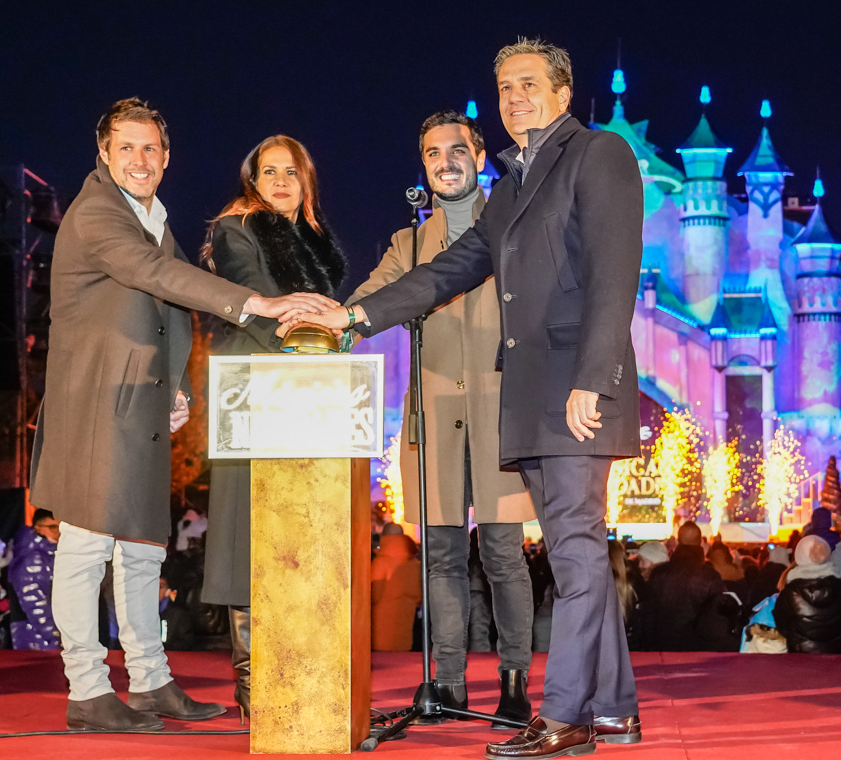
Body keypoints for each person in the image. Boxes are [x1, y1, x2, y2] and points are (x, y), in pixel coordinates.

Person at [313, 38, 644, 756]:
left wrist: (593, 376)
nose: (515, 97)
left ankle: (562, 718)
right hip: (526, 400)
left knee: (576, 555)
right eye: (504, 88)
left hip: (575, 393)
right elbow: (451, 268)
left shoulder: (599, 155)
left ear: (562, 92)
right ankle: (615, 709)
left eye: (529, 84)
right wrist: (355, 316)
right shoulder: (517, 184)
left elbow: (618, 275)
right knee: (573, 551)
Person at [28, 98, 337, 733]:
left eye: (150, 150)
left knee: (143, 548)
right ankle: (86, 688)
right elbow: (154, 275)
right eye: (127, 149)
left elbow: (167, 312)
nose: (139, 160)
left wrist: (180, 389)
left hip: (139, 398)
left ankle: (149, 681)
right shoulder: (98, 213)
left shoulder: (151, 215)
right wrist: (254, 302)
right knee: (86, 545)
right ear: (104, 155)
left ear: (166, 158)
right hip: (95, 402)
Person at [346, 110, 535, 726]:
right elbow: (364, 305)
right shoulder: (409, 244)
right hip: (433, 419)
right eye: (432, 153)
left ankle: (514, 682)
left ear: (480, 158)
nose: (445, 161)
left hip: (501, 414)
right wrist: (319, 323)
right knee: (443, 557)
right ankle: (448, 683)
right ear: (422, 165)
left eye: (458, 150)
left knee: (504, 555)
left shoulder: (513, 223)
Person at [198, 134, 346, 721]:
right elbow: (248, 294)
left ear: (306, 180)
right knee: (244, 535)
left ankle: (301, 664)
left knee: (302, 534)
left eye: (292, 171)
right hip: (254, 388)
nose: (281, 181)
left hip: (309, 392)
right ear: (252, 181)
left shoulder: (314, 240)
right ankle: (252, 680)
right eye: (269, 172)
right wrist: (300, 328)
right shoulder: (237, 228)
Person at [643, 521, 731, 651]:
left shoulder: (659, 572)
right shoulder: (710, 575)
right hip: (697, 651)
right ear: (700, 541)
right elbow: (718, 618)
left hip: (661, 648)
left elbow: (648, 613)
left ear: (678, 541)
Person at [773, 535, 841, 654]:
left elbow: (781, 623)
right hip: (837, 655)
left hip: (802, 656)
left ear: (800, 556)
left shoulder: (791, 591)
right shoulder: (840, 586)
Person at [8, 509, 61, 650]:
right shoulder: (31, 558)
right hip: (35, 637)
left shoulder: (52, 554)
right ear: (37, 528)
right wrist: (54, 636)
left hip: (49, 635)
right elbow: (34, 602)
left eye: (61, 527)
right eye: (52, 527)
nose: (58, 532)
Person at [371, 524, 423, 651]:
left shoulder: (379, 563)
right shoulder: (415, 564)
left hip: (380, 628)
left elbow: (373, 596)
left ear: (384, 538)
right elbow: (419, 596)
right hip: (407, 624)